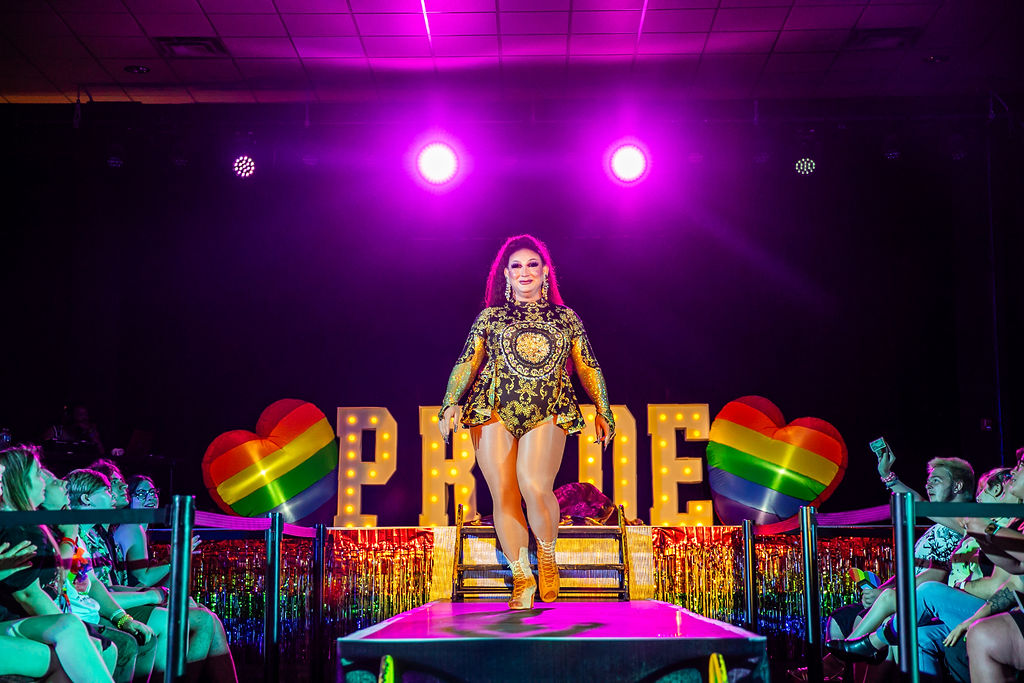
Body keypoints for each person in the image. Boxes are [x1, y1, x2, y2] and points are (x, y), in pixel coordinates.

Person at [438, 234, 615, 609]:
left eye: (532, 264)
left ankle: (547, 556)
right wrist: (451, 402)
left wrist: (603, 408)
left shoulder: (566, 318)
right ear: (505, 274)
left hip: (548, 407)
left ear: (545, 271)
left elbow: (586, 365)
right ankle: (522, 576)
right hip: (493, 408)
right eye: (516, 265)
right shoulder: (490, 317)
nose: (525, 271)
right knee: (504, 494)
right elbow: (468, 360)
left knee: (534, 484)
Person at [70, 469, 238, 682]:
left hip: (116, 603)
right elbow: (138, 581)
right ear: (86, 498)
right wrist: (158, 587)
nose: (119, 490)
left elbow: (108, 586)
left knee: (206, 617)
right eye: (140, 494)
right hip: (106, 609)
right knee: (202, 620)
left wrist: (168, 578)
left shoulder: (101, 535)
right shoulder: (125, 529)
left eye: (153, 493)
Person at [827, 453, 973, 662]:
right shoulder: (939, 525)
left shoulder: (968, 519)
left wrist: (889, 477)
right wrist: (882, 588)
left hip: (928, 599)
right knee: (840, 619)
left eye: (936, 480)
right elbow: (912, 568)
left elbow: (937, 572)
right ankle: (838, 665)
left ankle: (833, 665)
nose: (929, 485)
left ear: (958, 486)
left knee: (873, 619)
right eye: (928, 480)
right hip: (907, 593)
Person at [0, 445, 116, 682]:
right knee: (71, 631)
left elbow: (61, 580)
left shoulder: (32, 524)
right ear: (20, 482)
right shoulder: (16, 528)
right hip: (12, 621)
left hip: (26, 621)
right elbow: (30, 596)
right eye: (37, 473)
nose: (44, 478)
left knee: (102, 646)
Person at [42, 468, 158, 683]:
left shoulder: (79, 534)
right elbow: (54, 584)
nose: (114, 494)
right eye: (107, 489)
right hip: (72, 620)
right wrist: (148, 596)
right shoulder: (58, 533)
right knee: (124, 645)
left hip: (87, 616)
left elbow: (93, 583)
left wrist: (124, 619)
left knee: (143, 640)